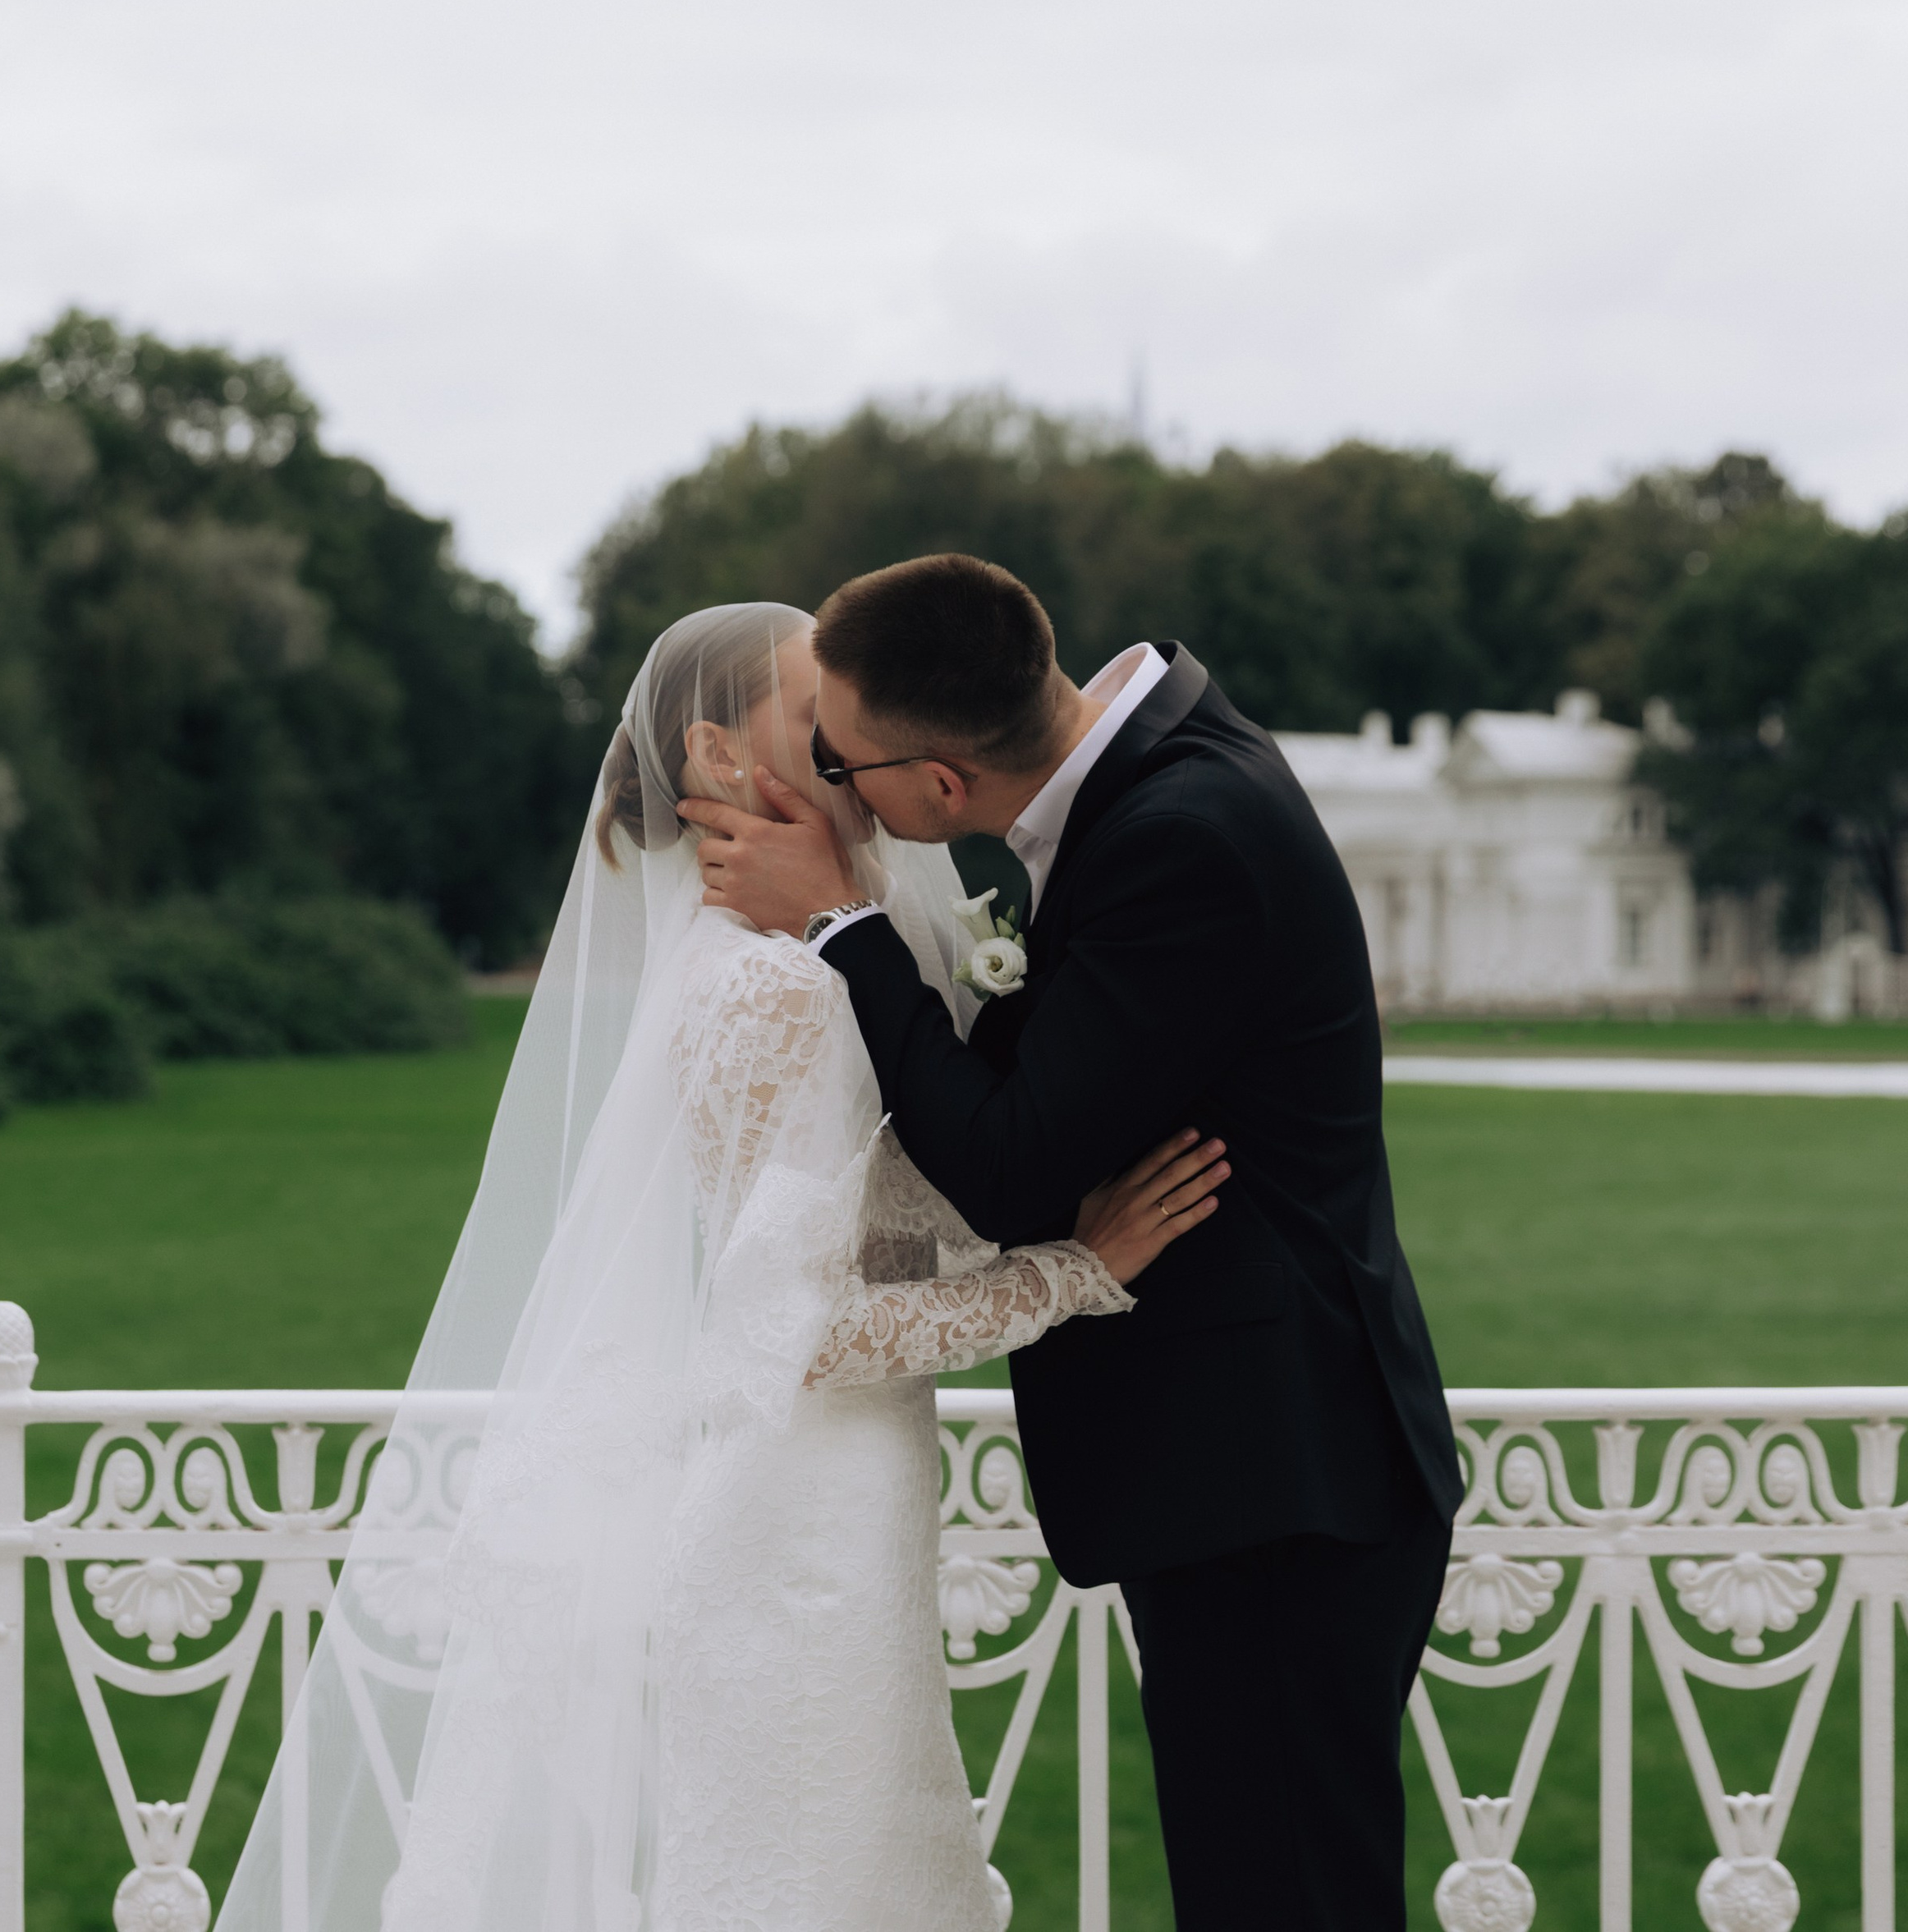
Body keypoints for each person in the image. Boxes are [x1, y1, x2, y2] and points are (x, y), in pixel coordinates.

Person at [213, 601, 1226, 1932]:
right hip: (795, 1510)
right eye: (821, 720)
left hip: (844, 1493)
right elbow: (792, 1331)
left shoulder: (809, 959)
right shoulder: (773, 991)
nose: (856, 744)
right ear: (721, 751)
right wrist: (1076, 1272)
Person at [678, 555, 1461, 1932]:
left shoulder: (1181, 834)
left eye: (843, 765)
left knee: (1284, 1899)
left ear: (937, 787)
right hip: (1265, 1466)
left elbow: (1011, 1165)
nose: (833, 784)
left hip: (1277, 1480)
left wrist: (844, 924)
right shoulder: (1157, 751)